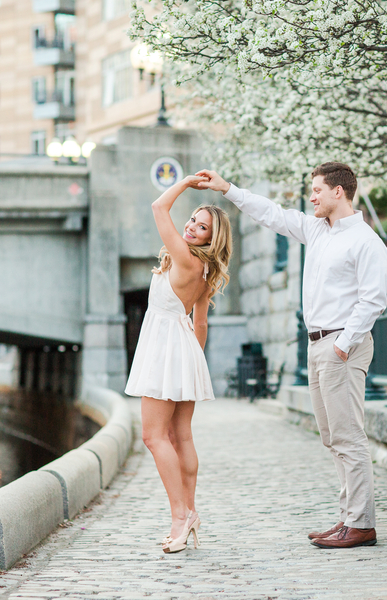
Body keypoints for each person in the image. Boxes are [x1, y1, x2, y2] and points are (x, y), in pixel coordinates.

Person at [196, 162, 387, 549]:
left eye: (317, 189)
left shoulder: (366, 242)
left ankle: (362, 524)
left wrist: (341, 345)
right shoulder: (317, 229)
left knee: (348, 435)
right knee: (332, 437)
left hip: (341, 347)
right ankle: (348, 518)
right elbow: (272, 214)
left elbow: (373, 301)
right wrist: (228, 189)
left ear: (340, 192)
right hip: (318, 344)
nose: (312, 196)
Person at [125, 175, 232, 554]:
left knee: (154, 437)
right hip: (184, 348)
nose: (190, 227)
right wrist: (192, 365)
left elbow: (158, 207)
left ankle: (180, 516)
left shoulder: (185, 257)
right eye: (192, 221)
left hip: (165, 348)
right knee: (179, 436)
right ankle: (188, 511)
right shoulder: (204, 271)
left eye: (201, 227)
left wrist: (186, 182)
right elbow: (199, 324)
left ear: (210, 239)